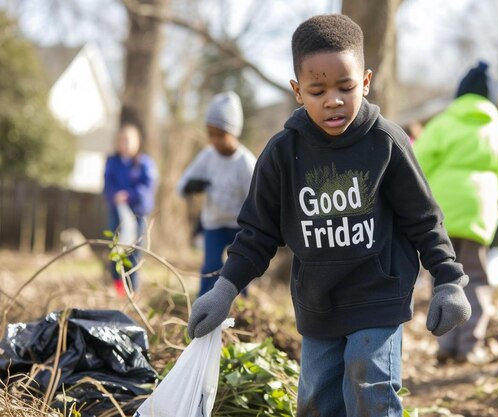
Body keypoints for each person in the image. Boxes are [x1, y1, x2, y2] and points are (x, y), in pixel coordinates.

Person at [187, 14, 471, 416]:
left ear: (367, 82)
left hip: (378, 294)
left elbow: (423, 218)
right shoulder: (282, 154)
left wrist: (448, 280)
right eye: (317, 90)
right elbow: (257, 233)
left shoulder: (386, 144)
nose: (333, 100)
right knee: (317, 401)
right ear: (297, 91)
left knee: (367, 381)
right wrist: (225, 288)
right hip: (318, 302)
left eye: (346, 87)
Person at [413, 61, 498, 364]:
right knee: (477, 277)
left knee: (443, 276)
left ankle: (444, 344)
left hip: (441, 211)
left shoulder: (442, 124)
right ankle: (470, 347)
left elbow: (417, 162)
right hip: (479, 213)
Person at [177, 91, 257, 297]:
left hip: (240, 226)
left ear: (234, 132)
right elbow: (182, 184)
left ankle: (241, 309)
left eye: (220, 135)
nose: (214, 140)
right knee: (211, 268)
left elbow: (257, 198)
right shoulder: (207, 157)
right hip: (213, 224)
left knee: (239, 269)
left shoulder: (245, 163)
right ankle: (202, 308)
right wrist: (190, 186)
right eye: (210, 134)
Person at [103, 123, 158, 296]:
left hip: (137, 213)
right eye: (122, 140)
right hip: (117, 213)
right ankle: (118, 287)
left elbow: (147, 188)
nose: (125, 144)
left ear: (137, 142)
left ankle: (132, 290)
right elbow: (107, 184)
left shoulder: (144, 164)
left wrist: (129, 195)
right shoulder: (112, 162)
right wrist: (115, 195)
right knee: (116, 249)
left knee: (133, 252)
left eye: (128, 140)